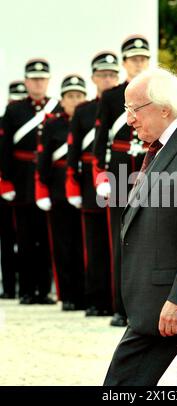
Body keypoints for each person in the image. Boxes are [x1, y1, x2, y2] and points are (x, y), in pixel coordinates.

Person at [103, 68, 177, 386]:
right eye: (126, 110)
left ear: (163, 107)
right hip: (158, 306)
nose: (129, 119)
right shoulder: (165, 147)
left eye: (134, 109)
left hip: (169, 307)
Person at [93, 35, 150, 327]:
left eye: (143, 59)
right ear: (125, 63)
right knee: (120, 240)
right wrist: (102, 178)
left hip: (151, 170)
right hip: (118, 172)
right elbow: (100, 142)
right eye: (134, 59)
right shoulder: (112, 96)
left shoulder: (158, 91)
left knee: (148, 240)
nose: (139, 64)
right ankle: (121, 307)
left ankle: (143, 306)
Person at [0, 59, 60, 304]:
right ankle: (26, 290)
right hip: (23, 182)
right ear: (26, 82)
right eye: (33, 79)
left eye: (42, 79)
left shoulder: (56, 109)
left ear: (47, 81)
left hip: (46, 181)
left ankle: (44, 290)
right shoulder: (14, 110)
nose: (37, 83)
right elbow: (4, 148)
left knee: (45, 238)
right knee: (24, 239)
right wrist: (5, 181)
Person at [66, 52, 119, 317]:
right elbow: (73, 151)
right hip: (90, 183)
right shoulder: (84, 110)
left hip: (120, 178)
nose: (108, 79)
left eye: (112, 74)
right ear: (93, 78)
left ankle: (115, 300)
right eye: (102, 75)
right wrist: (72, 184)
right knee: (94, 245)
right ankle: (96, 299)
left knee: (117, 245)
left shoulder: (125, 103)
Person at [35, 75, 86, 310]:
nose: (75, 101)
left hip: (84, 188)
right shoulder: (53, 124)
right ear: (62, 100)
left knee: (83, 246)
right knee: (63, 245)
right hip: (58, 191)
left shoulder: (90, 120)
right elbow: (43, 159)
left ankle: (85, 294)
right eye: (70, 96)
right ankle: (67, 295)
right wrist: (42, 189)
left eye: (79, 96)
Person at [0, 81, 28, 299]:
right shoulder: (4, 120)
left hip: (24, 186)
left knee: (25, 237)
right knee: (7, 240)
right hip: (7, 187)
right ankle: (9, 287)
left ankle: (24, 286)